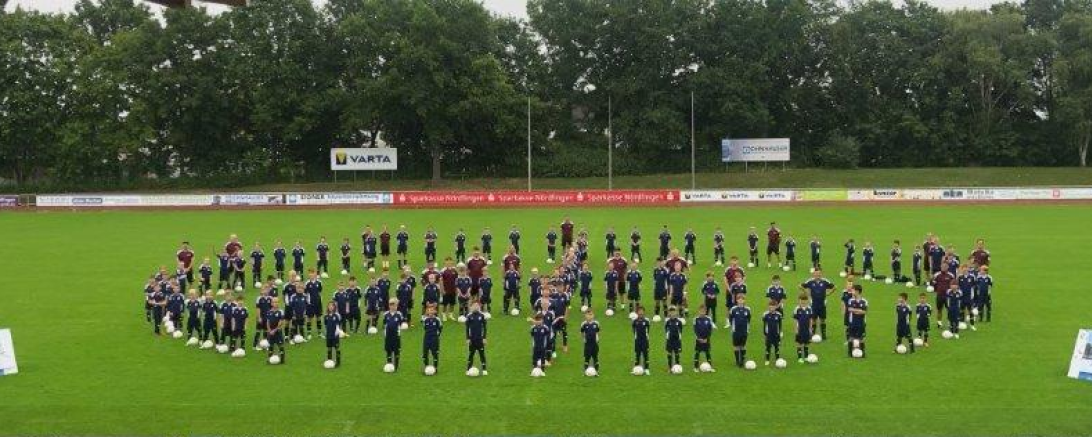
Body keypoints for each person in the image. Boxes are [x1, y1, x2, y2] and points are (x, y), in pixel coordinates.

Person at [801, 270, 835, 340]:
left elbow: (834, 287)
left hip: (822, 304)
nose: (817, 275)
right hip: (814, 304)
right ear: (813, 274)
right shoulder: (810, 281)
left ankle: (824, 335)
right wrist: (807, 292)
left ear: (821, 274)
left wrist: (829, 293)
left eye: (819, 273)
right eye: (816, 274)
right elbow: (800, 286)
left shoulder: (825, 281)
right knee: (814, 319)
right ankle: (813, 334)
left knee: (823, 320)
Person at [465, 301, 488, 375]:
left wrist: (484, 338)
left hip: (480, 339)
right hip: (472, 339)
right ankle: (468, 369)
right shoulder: (469, 316)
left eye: (477, 305)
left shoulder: (482, 316)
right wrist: (467, 338)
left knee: (482, 354)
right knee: (471, 354)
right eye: (474, 306)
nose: (475, 307)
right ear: (471, 307)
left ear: (479, 307)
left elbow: (484, 328)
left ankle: (484, 369)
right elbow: (467, 328)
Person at [729, 294, 751, 367]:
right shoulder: (733, 309)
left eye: (742, 299)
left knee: (743, 346)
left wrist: (747, 329)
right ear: (737, 300)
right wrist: (733, 328)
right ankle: (737, 360)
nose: (741, 301)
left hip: (744, 331)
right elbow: (731, 319)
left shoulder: (747, 309)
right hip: (736, 331)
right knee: (736, 346)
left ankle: (742, 360)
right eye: (739, 299)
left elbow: (748, 320)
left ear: (744, 300)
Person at [846, 285, 867, 357]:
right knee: (851, 337)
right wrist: (859, 310)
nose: (852, 292)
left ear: (857, 291)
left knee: (861, 338)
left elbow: (864, 312)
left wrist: (855, 310)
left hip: (861, 322)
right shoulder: (851, 300)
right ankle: (849, 353)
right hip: (852, 322)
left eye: (853, 290)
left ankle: (862, 352)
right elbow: (850, 309)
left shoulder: (864, 301)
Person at [383, 300, 405, 370]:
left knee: (396, 351)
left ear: (397, 306)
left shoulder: (399, 314)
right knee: (388, 351)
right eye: (391, 305)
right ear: (389, 306)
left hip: (396, 336)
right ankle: (389, 364)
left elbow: (401, 323)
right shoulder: (386, 314)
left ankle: (396, 366)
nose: (392, 307)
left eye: (394, 305)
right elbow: (384, 324)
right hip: (388, 336)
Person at [793, 293, 814, 363]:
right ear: (799, 300)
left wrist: (810, 328)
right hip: (800, 329)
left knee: (806, 343)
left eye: (804, 300)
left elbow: (811, 319)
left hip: (807, 329)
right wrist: (796, 329)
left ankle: (806, 357)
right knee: (799, 343)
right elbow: (795, 320)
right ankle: (799, 357)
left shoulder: (809, 309)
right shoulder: (797, 309)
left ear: (807, 301)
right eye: (801, 300)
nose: (803, 302)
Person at [693, 305, 714, 371]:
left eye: (703, 311)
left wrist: (707, 338)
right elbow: (695, 330)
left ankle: (710, 367)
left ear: (705, 311)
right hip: (699, 339)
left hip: (706, 339)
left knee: (707, 352)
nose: (702, 313)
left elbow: (710, 330)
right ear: (698, 311)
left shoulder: (709, 319)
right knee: (697, 352)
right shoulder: (696, 319)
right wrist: (699, 338)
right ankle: (696, 367)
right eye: (701, 311)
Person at [422, 304, 442, 371]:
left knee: (435, 353)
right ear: (427, 311)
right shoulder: (425, 320)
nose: (430, 311)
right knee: (425, 354)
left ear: (435, 311)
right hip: (426, 339)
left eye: (432, 310)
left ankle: (435, 368)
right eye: (429, 310)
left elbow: (440, 329)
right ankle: (426, 366)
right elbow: (425, 328)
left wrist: (436, 336)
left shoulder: (437, 320)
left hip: (434, 339)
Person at [762, 300, 782, 365]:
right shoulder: (765, 314)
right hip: (768, 334)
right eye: (770, 307)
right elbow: (764, 325)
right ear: (768, 307)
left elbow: (780, 325)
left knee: (777, 347)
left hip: (776, 334)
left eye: (773, 307)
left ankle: (777, 360)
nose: (772, 308)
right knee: (768, 347)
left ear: (776, 307)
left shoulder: (779, 315)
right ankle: (767, 360)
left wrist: (780, 333)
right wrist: (765, 334)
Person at [266, 298, 286, 364]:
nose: (276, 303)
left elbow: (280, 323)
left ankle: (282, 360)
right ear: (271, 303)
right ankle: (269, 359)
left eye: (277, 302)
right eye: (274, 302)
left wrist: (274, 330)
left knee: (280, 345)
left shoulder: (281, 311)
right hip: (270, 332)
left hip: (278, 332)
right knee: (270, 346)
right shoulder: (269, 312)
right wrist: (269, 330)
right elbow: (268, 322)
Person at [632, 306, 651, 373]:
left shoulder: (646, 321)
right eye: (639, 311)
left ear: (644, 312)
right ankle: (636, 368)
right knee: (637, 354)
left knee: (645, 354)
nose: (641, 313)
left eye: (642, 311)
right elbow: (634, 330)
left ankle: (647, 369)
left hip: (645, 340)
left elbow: (648, 330)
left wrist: (646, 337)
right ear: (637, 312)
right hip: (637, 341)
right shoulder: (635, 321)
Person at [664, 306, 684, 371]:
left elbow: (680, 330)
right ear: (669, 313)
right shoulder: (668, 322)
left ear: (676, 312)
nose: (672, 313)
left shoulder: (679, 322)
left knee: (677, 354)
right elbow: (666, 329)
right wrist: (668, 337)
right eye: (671, 312)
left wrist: (678, 337)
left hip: (677, 341)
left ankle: (677, 367)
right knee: (669, 354)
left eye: (673, 312)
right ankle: (669, 367)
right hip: (670, 341)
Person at [324, 302, 342, 367]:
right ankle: (329, 361)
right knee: (329, 348)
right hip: (328, 335)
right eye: (329, 306)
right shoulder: (326, 316)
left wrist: (337, 333)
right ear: (328, 307)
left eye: (332, 306)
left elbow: (338, 325)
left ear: (334, 307)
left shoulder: (337, 315)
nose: (331, 307)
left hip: (335, 336)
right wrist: (326, 333)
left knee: (337, 348)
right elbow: (326, 325)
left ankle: (338, 362)